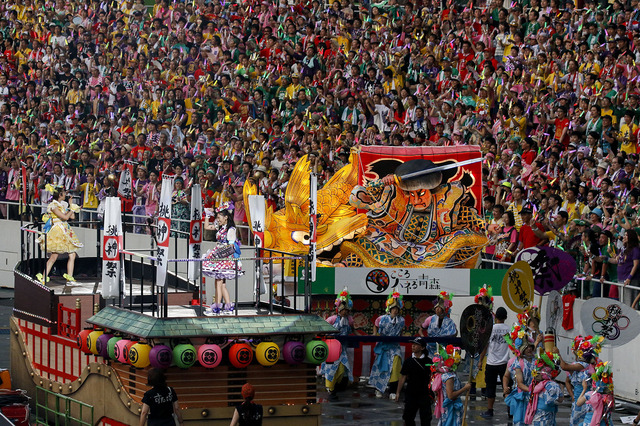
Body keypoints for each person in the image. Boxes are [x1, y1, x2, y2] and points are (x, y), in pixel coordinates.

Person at [36, 185, 83, 285]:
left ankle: (69, 278)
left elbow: (72, 217)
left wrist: (71, 206)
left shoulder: (63, 204)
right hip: (58, 231)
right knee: (54, 257)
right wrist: (72, 209)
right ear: (60, 195)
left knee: (72, 254)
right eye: (64, 192)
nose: (65, 194)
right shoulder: (53, 205)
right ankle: (44, 278)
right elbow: (65, 217)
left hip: (66, 230)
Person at [202, 202, 243, 315]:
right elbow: (206, 227)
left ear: (226, 217)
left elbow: (230, 247)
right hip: (219, 255)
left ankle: (217, 307)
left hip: (224, 257)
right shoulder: (221, 227)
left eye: (219, 217)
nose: (217, 219)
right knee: (221, 283)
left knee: (218, 282)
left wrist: (218, 254)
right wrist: (207, 215)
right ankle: (228, 307)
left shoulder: (231, 229)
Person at [557, 335, 604, 426]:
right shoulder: (578, 365)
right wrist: (572, 394)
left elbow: (564, 366)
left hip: (586, 399)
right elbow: (567, 381)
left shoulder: (584, 365)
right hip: (578, 399)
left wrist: (558, 354)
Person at [320, 287, 354, 401]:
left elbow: (352, 331)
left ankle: (335, 386)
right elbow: (323, 330)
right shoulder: (332, 319)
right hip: (332, 348)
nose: (345, 311)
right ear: (338, 309)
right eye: (343, 309)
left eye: (347, 310)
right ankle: (330, 390)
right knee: (330, 369)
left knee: (341, 369)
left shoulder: (349, 320)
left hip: (342, 348)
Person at [370, 291, 405, 399]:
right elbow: (375, 326)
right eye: (393, 308)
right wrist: (375, 334)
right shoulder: (381, 319)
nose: (395, 310)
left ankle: (393, 390)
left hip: (395, 347)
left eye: (397, 309)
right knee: (381, 368)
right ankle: (378, 389)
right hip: (384, 346)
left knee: (395, 368)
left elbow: (402, 331)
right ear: (389, 309)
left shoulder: (401, 320)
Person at [479, 306, 510, 419]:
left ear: (495, 316)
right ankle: (510, 411)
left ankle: (490, 410)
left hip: (491, 363)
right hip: (505, 363)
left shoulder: (490, 329)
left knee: (490, 387)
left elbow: (485, 346)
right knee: (507, 387)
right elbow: (511, 345)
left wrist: (481, 360)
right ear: (505, 317)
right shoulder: (509, 330)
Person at [395, 337, 432, 426]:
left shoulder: (428, 361)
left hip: (425, 393)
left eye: (416, 345)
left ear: (422, 348)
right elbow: (403, 377)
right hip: (411, 393)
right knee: (408, 417)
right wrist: (398, 392)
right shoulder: (408, 361)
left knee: (426, 418)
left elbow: (432, 377)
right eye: (413, 344)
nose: (413, 346)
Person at [503, 323, 535, 426]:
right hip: (523, 396)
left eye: (530, 346)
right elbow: (519, 383)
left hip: (534, 396)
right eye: (526, 347)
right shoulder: (517, 363)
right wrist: (505, 388)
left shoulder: (536, 361)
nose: (529, 349)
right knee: (521, 421)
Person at [430, 344, 470, 426]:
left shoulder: (450, 374)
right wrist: (465, 388)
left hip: (451, 408)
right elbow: (450, 395)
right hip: (451, 409)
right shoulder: (449, 377)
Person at [524, 351, 563, 425]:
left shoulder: (534, 383)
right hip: (545, 418)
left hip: (536, 417)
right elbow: (558, 400)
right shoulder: (552, 385)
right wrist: (562, 390)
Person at [576, 361, 615, 426]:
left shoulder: (590, 395)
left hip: (589, 423)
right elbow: (613, 408)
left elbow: (578, 403)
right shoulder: (609, 397)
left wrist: (584, 389)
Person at [420, 291, 458, 357]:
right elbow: (421, 330)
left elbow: (455, 333)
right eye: (436, 308)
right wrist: (423, 337)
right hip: (430, 348)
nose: (437, 309)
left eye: (439, 308)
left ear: (444, 310)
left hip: (443, 349)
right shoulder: (430, 319)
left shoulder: (450, 322)